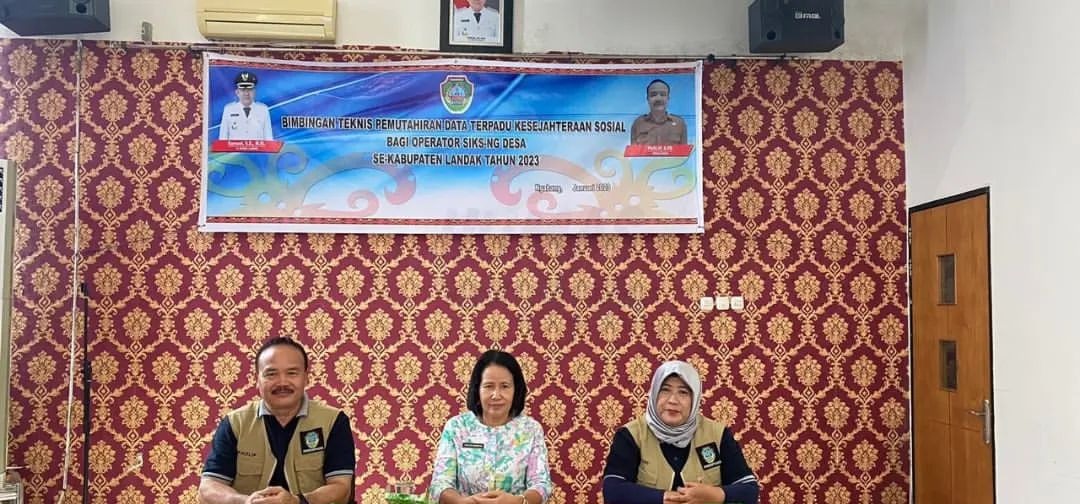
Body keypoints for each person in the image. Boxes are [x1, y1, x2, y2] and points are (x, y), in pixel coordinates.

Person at [199, 337, 355, 504]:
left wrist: (297, 501)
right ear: (257, 380)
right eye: (271, 374)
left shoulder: (333, 421)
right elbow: (208, 487)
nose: (282, 382)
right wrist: (246, 501)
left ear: (306, 378)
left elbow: (341, 488)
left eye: (292, 373)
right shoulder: (235, 423)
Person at [602, 361, 759, 504]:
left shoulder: (717, 434)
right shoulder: (631, 435)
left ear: (695, 399)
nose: (673, 400)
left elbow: (749, 490)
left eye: (683, 392)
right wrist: (664, 498)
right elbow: (613, 490)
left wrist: (715, 495)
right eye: (665, 390)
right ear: (654, 393)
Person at [429, 350, 553, 504]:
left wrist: (517, 501)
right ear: (477, 389)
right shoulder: (457, 427)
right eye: (488, 386)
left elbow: (542, 484)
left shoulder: (531, 429)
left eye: (505, 386)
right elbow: (440, 483)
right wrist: (462, 502)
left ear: (516, 390)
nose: (496, 395)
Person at [630, 79, 688, 146]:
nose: (658, 98)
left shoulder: (679, 124)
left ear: (668, 98)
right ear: (647, 98)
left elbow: (684, 152)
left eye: (663, 94)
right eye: (653, 95)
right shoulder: (638, 124)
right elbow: (634, 152)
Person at [219, 71, 274, 141]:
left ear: (254, 92)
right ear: (237, 92)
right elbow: (223, 138)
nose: (246, 93)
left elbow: (269, 138)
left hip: (258, 148)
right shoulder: (229, 109)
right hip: (235, 148)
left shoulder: (263, 109)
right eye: (243, 90)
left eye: (250, 89)